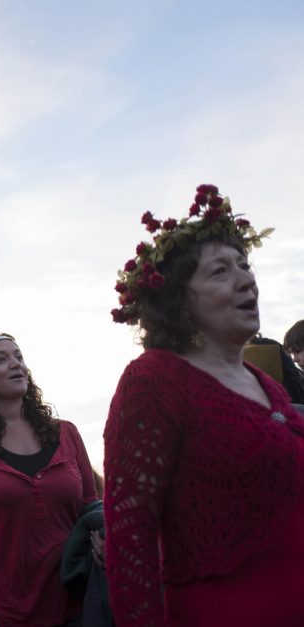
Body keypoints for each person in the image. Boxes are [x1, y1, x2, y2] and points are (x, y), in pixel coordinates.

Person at [104, 184, 304, 626]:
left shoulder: (266, 384)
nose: (245, 278)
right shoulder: (154, 380)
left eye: (244, 265)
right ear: (179, 300)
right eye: (219, 272)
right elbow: (130, 534)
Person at [0, 333, 97, 626]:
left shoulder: (67, 434)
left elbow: (90, 508)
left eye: (18, 356)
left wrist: (103, 539)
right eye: (1, 359)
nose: (16, 364)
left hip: (72, 601)